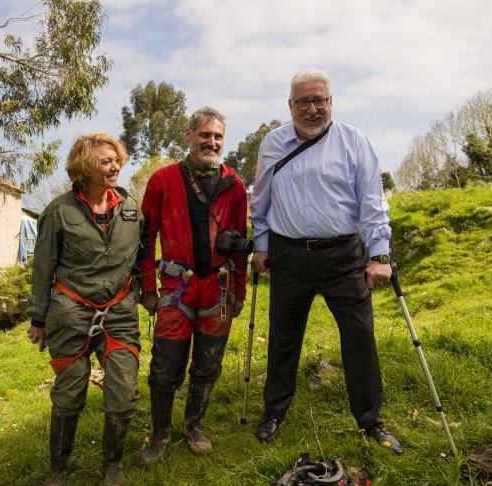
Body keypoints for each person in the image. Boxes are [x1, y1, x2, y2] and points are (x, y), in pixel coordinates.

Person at [250, 68, 403, 455]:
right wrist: (262, 246)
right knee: (283, 337)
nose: (313, 108)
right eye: (304, 101)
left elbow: (372, 203)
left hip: (342, 255)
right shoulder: (272, 144)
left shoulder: (354, 141)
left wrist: (379, 254)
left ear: (331, 102)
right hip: (288, 255)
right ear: (290, 106)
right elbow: (261, 202)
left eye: (320, 100)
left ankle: (370, 420)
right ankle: (274, 412)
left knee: (359, 337)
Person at [27, 133, 144, 486]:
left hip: (120, 313)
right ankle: (58, 470)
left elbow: (142, 259)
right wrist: (38, 318)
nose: (114, 166)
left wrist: (141, 292)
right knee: (69, 392)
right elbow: (43, 268)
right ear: (84, 166)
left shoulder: (130, 209)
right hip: (70, 313)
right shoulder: (59, 212)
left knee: (123, 390)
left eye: (116, 159)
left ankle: (112, 466)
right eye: (105, 161)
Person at [138, 107, 248, 464]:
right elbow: (146, 236)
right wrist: (148, 288)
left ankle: (193, 426)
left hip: (218, 287)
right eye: (205, 135)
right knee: (165, 366)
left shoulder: (235, 184)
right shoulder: (162, 180)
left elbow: (242, 240)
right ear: (188, 135)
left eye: (217, 137)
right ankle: (159, 435)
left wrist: (241, 290)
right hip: (176, 287)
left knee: (208, 362)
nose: (212, 142)